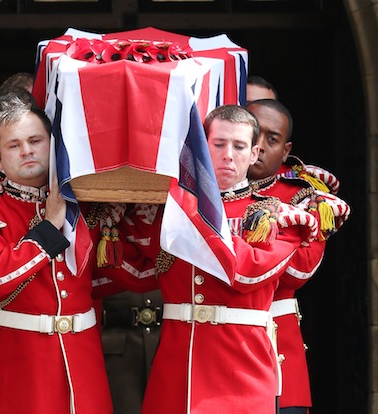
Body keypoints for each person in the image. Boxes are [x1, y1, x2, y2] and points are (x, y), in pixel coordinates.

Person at [101, 105, 320, 414]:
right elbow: (135, 273)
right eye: (218, 144)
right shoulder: (167, 213)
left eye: (239, 146)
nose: (228, 155)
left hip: (241, 373)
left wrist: (192, 210)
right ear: (201, 148)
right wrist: (105, 221)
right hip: (177, 373)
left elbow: (246, 272)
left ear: (254, 153)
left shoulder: (277, 216)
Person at [0, 88, 113, 414]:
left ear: (52, 143)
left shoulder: (88, 201)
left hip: (82, 364)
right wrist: (51, 225)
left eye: (35, 141)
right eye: (14, 145)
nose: (27, 151)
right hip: (17, 368)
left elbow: (118, 274)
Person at [247, 99, 350, 414]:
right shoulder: (206, 190)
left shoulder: (304, 199)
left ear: (286, 151)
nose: (259, 146)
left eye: (272, 139)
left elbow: (297, 272)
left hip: (275, 348)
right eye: (253, 133)